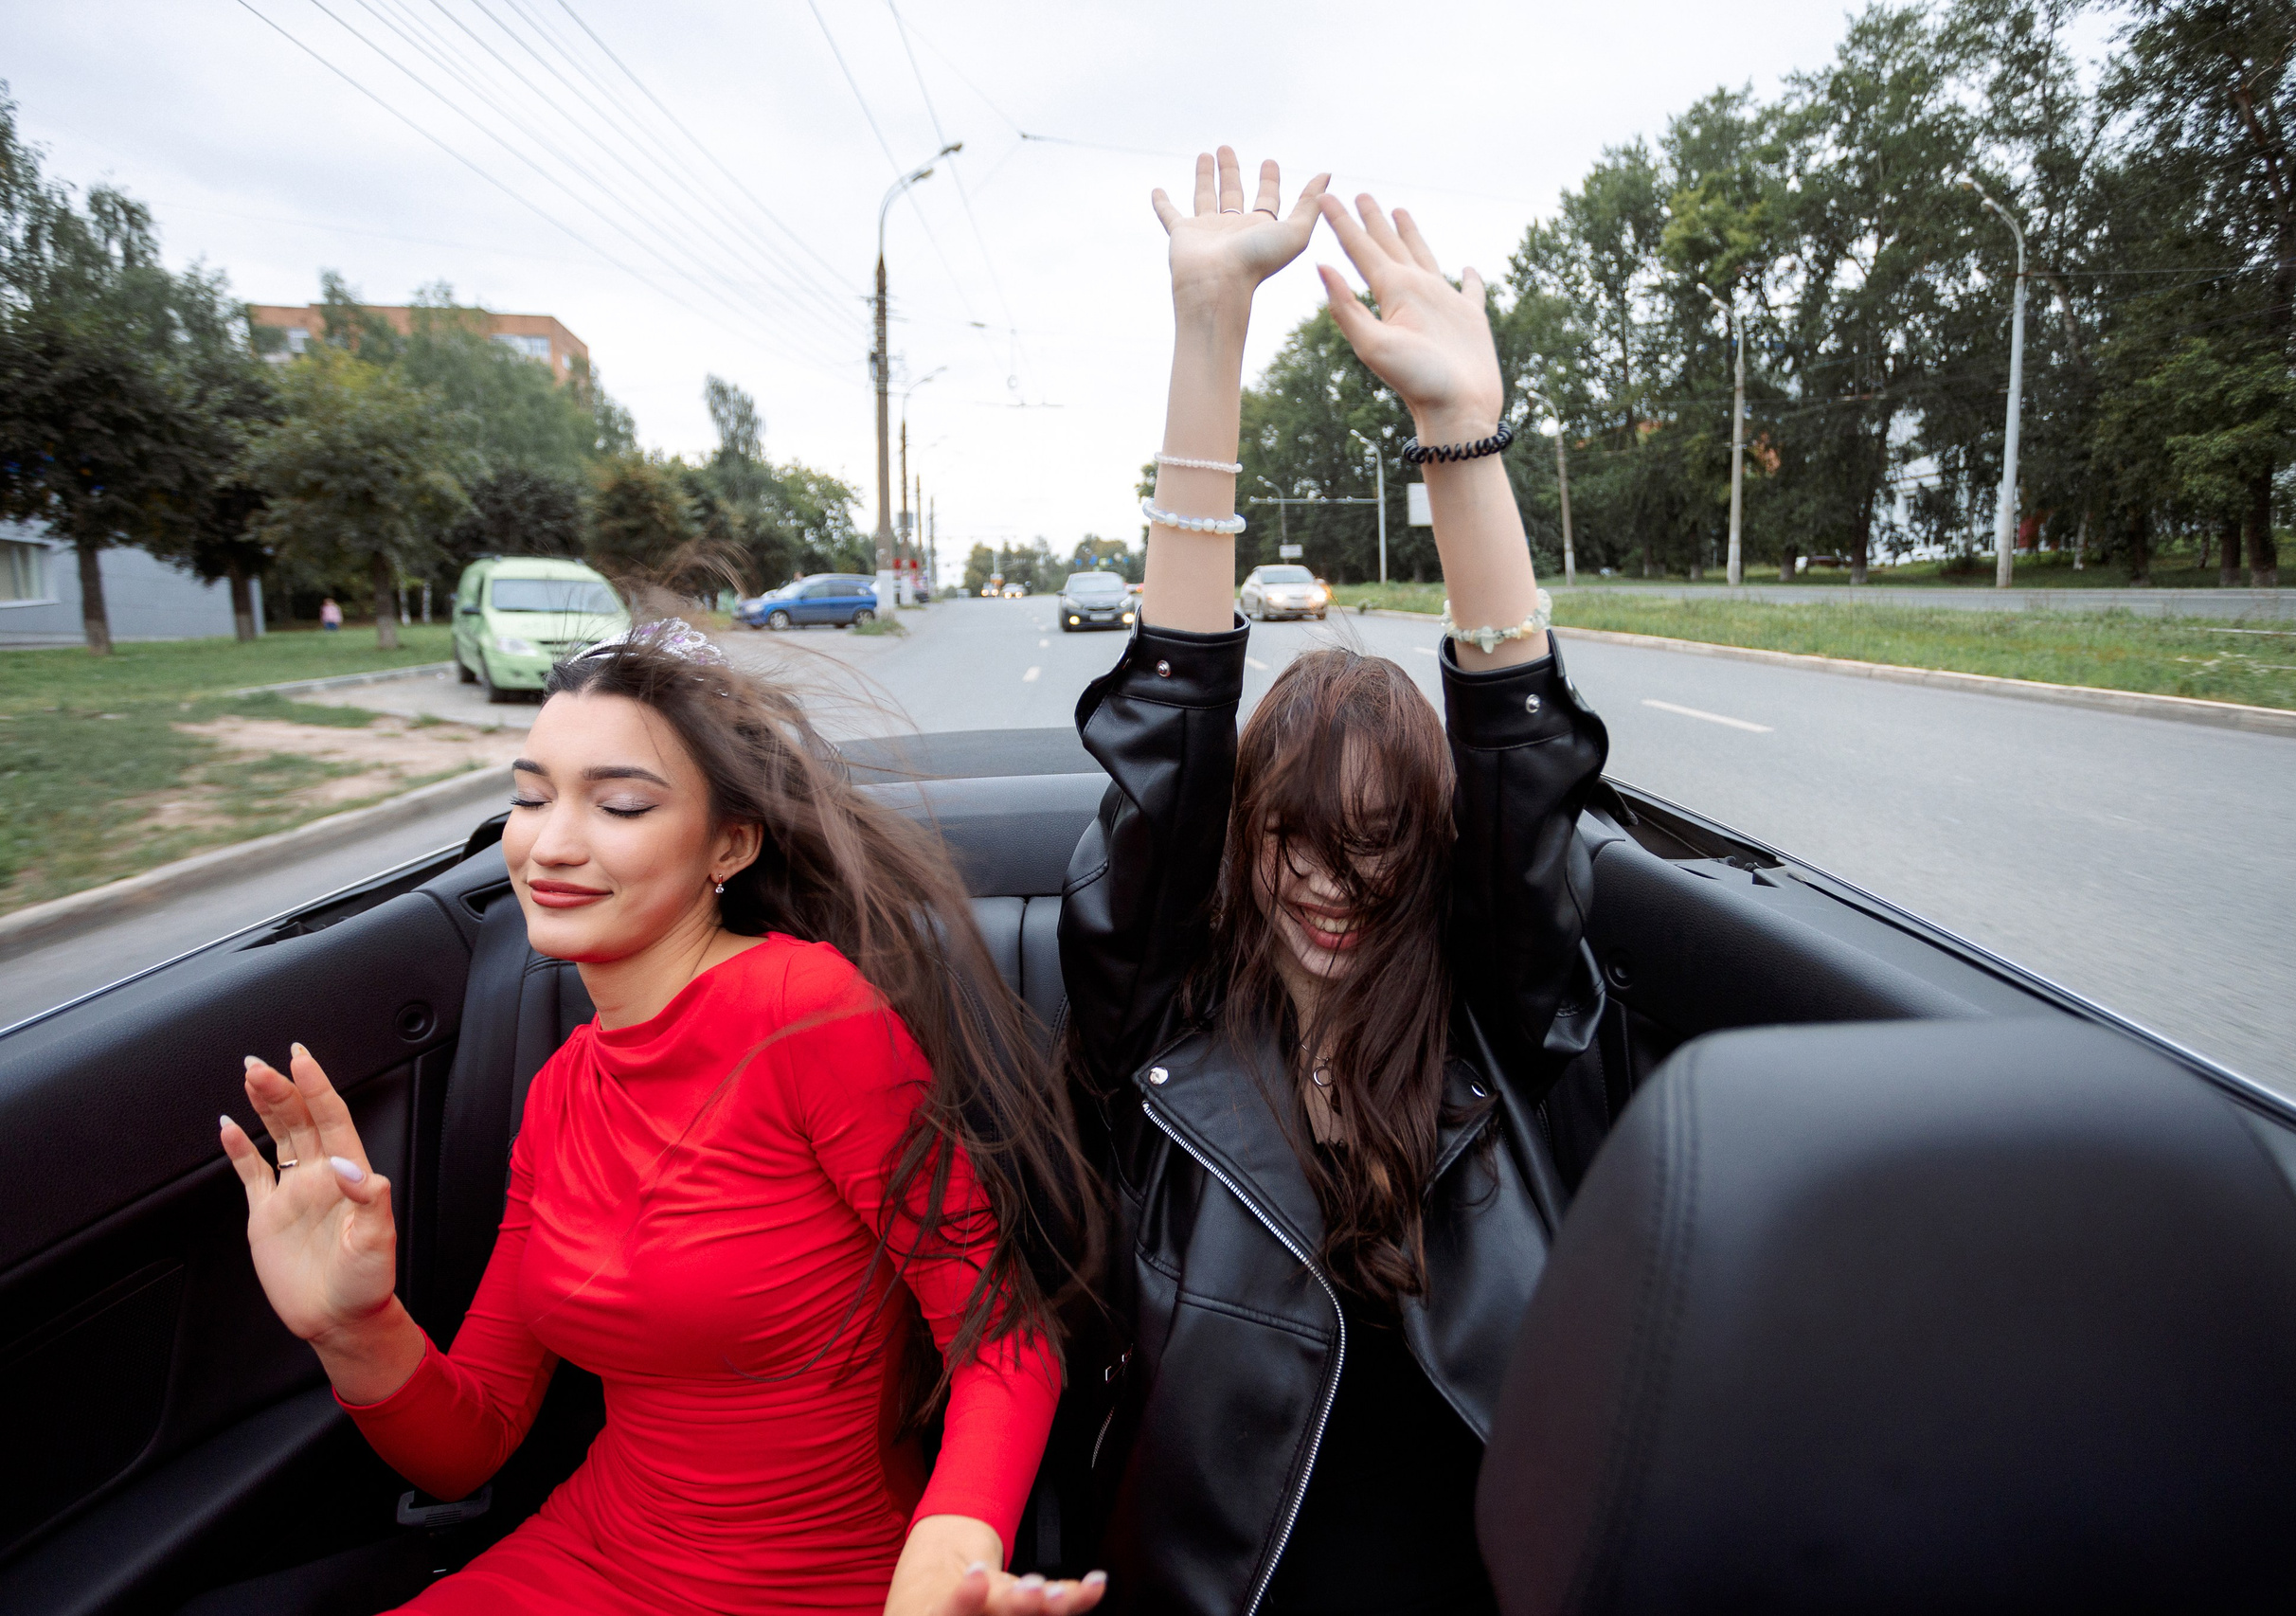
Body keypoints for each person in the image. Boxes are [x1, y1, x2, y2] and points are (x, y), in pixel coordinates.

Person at [219, 621, 1107, 1616]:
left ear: (731, 842)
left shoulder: (807, 1012)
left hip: (817, 1587)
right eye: (529, 796)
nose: (550, 843)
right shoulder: (563, 1088)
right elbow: (471, 1445)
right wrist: (352, 1326)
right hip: (584, 1555)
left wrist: (951, 1549)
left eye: (621, 804)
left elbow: (1001, 1333)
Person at [1059, 151, 1608, 1616]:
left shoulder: (1491, 1023)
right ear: (1240, 838)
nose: (1329, 882)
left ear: (1431, 852)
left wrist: (1461, 433)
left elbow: (1520, 763)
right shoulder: (1163, 1025)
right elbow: (1169, 736)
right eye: (1290, 834)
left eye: (1377, 839)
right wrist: (1209, 335)